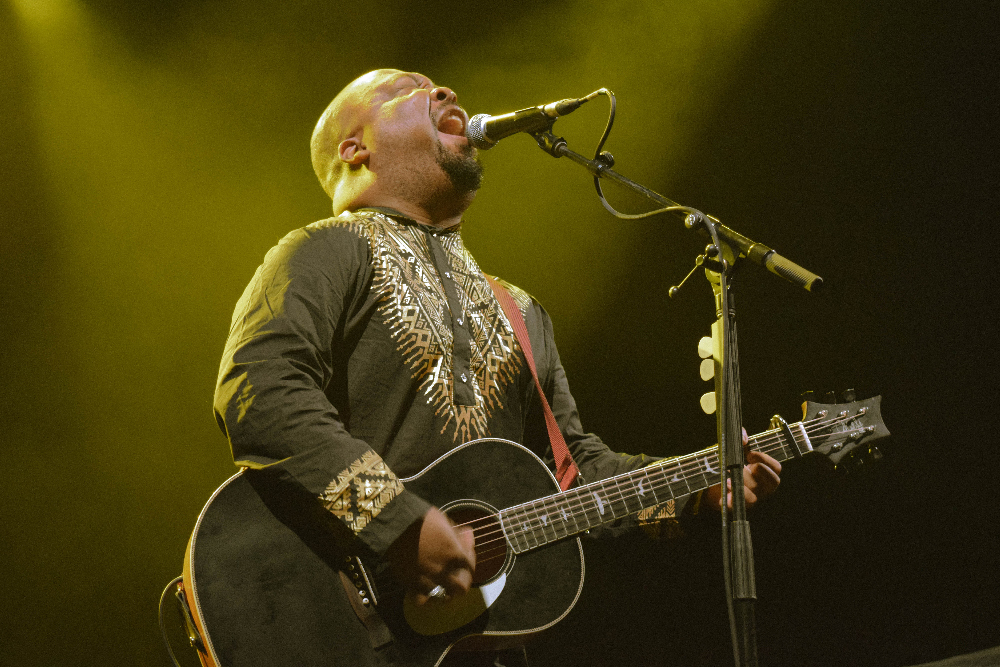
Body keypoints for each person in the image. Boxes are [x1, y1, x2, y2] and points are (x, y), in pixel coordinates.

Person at [213, 69, 782, 666]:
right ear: (356, 150)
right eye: (406, 89)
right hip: (331, 625)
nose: (444, 92)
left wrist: (695, 489)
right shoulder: (321, 251)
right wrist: (398, 523)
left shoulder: (521, 309)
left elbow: (571, 472)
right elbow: (259, 390)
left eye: (439, 86)